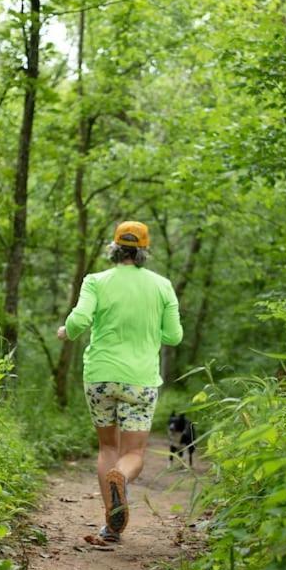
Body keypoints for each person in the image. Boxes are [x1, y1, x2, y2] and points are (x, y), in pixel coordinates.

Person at [56, 220, 183, 543]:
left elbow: (80, 320)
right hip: (140, 380)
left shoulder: (96, 281)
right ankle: (121, 477)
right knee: (133, 453)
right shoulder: (162, 286)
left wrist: (66, 331)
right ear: (144, 251)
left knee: (107, 446)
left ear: (114, 248)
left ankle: (111, 527)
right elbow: (174, 336)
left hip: (99, 376)